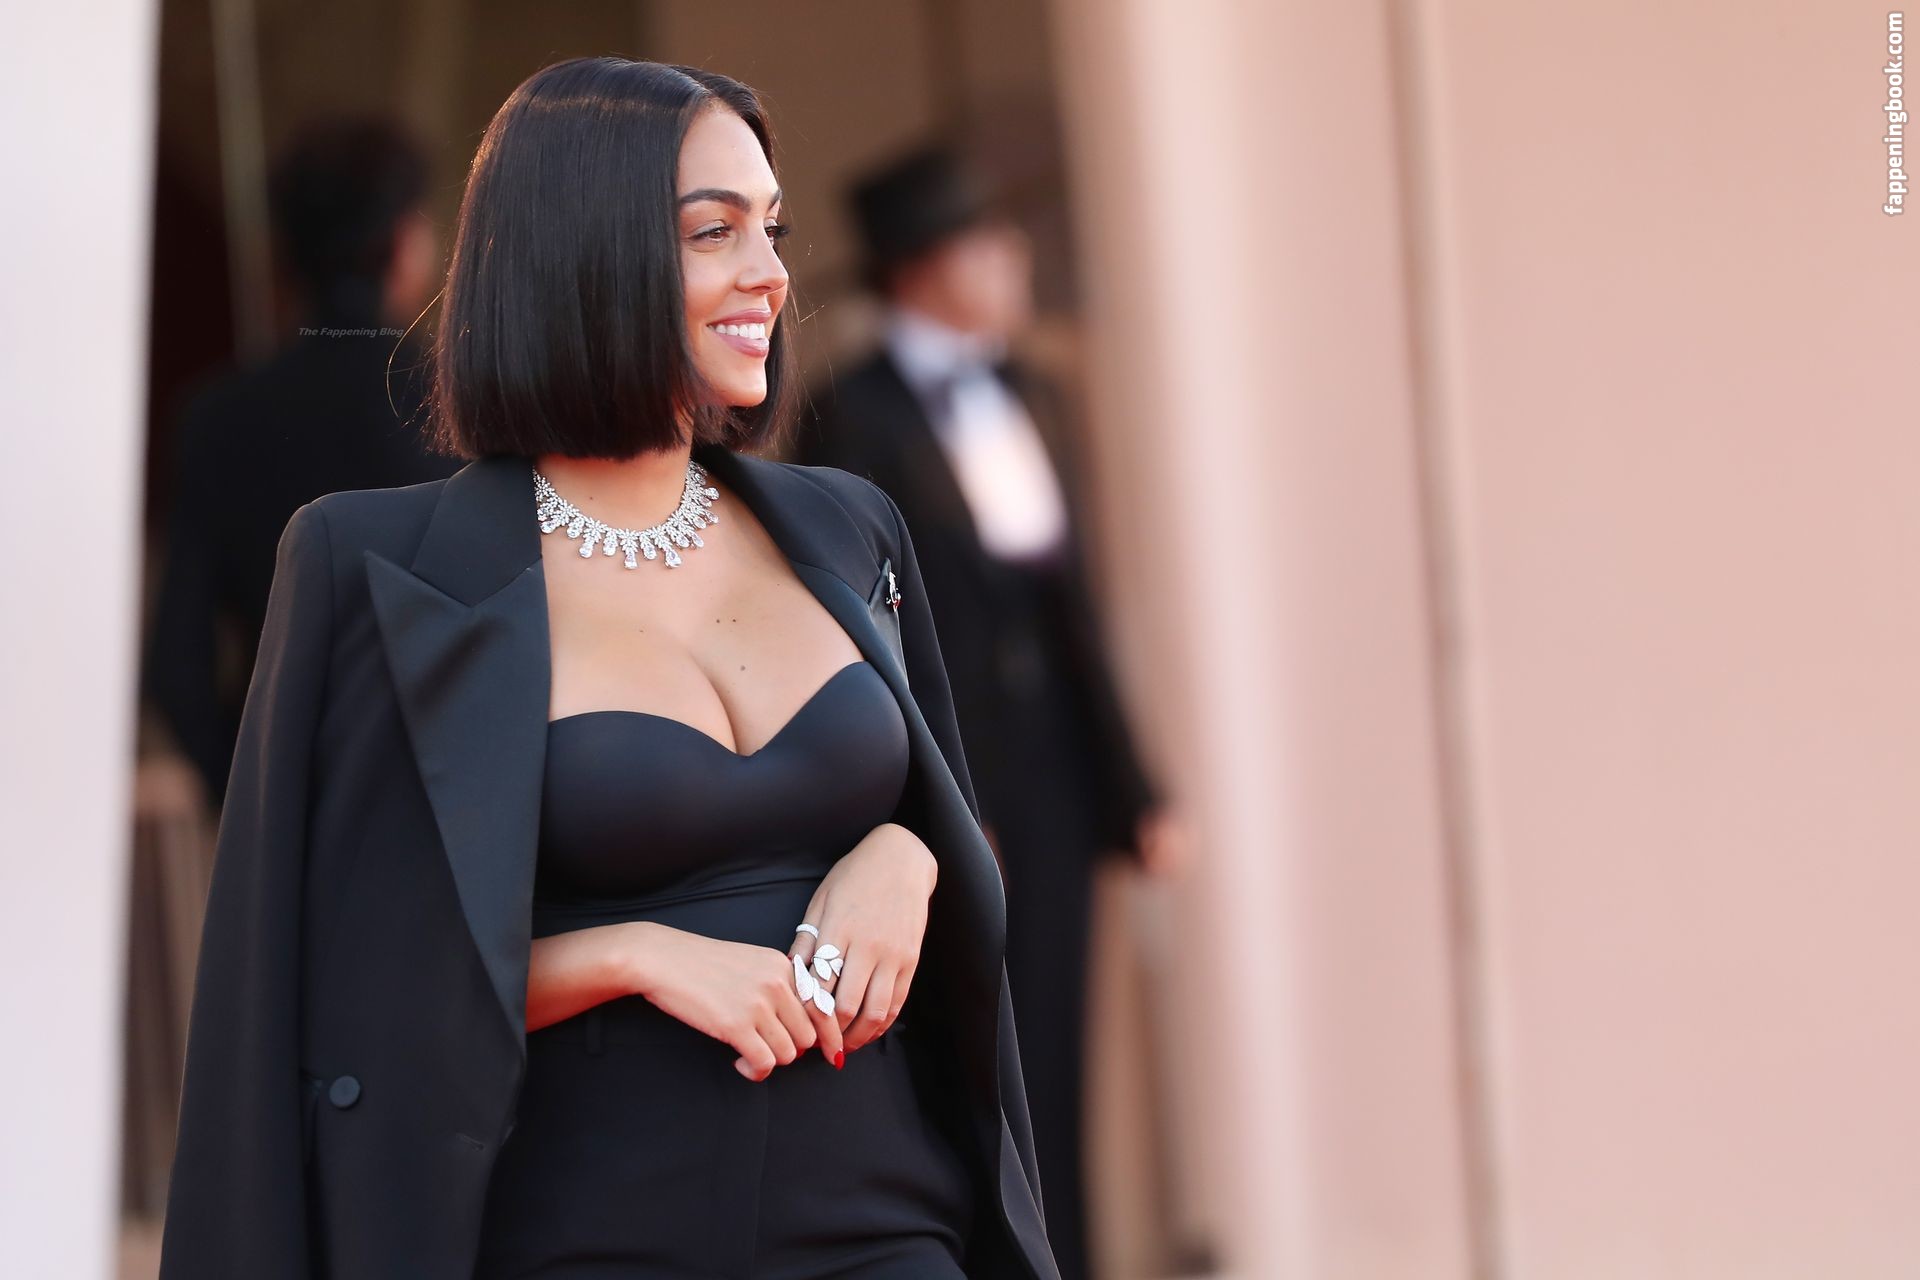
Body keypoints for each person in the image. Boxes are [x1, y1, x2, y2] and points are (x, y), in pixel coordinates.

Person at [157, 58, 1059, 1280]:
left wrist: (909, 855)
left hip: (889, 1218)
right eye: (715, 231)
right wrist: (634, 952)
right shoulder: (371, 565)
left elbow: (939, 811)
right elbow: (340, 981)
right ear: (582, 250)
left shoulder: (851, 525)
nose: (771, 273)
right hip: (587, 1235)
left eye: (774, 228)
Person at [796, 142, 1188, 1280]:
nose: (1013, 259)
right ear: (924, 267)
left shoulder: (1034, 395)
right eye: (987, 240)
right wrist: (932, 802)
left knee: (1061, 1047)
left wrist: (1136, 788)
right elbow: (866, 637)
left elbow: (1076, 611)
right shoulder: (852, 414)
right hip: (953, 786)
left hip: (1054, 775)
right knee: (977, 1063)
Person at [143, 115, 458, 808]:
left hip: (287, 793)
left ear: (281, 250)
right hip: (447, 811)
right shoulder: (468, 407)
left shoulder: (218, 416)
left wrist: (253, 797)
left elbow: (177, 666)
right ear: (405, 243)